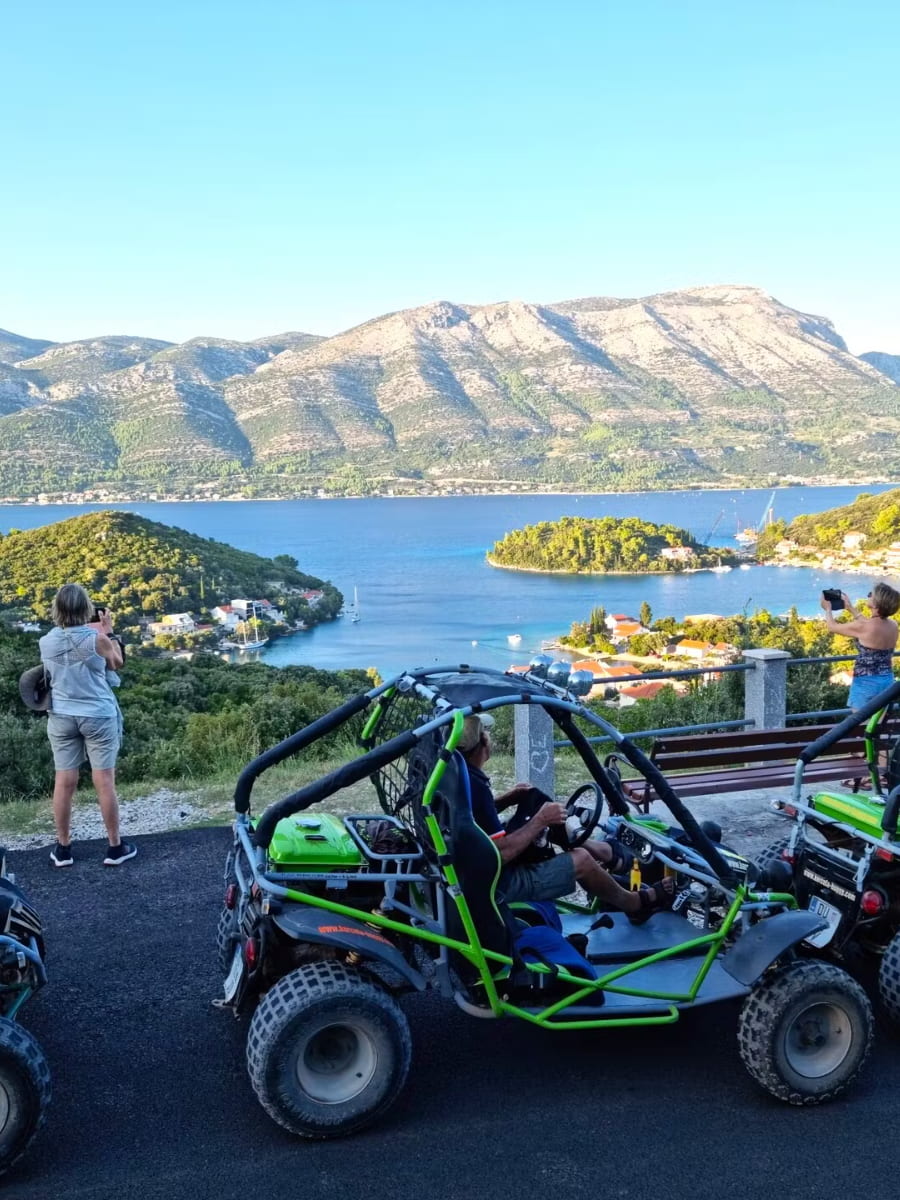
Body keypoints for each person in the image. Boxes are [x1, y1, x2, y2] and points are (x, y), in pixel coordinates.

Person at [458, 714, 673, 920]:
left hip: (471, 874)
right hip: (497, 885)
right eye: (485, 734)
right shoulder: (476, 785)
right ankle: (634, 904)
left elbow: (471, 815)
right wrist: (540, 820)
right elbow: (501, 853)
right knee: (581, 860)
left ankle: (610, 856)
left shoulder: (458, 777)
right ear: (482, 745)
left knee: (558, 826)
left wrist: (509, 798)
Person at [39, 583, 136, 868]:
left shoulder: (46, 641)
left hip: (62, 716)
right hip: (97, 714)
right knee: (104, 780)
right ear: (86, 609)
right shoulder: (98, 639)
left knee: (64, 781)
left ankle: (63, 848)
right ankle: (115, 848)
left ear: (57, 609)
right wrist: (107, 629)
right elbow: (116, 663)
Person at [821, 582, 900, 711]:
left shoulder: (865, 627)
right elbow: (870, 624)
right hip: (887, 681)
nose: (867, 596)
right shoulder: (893, 625)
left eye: (870, 595)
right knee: (876, 725)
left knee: (860, 724)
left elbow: (832, 627)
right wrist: (850, 608)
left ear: (875, 604)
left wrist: (828, 609)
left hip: (865, 683)